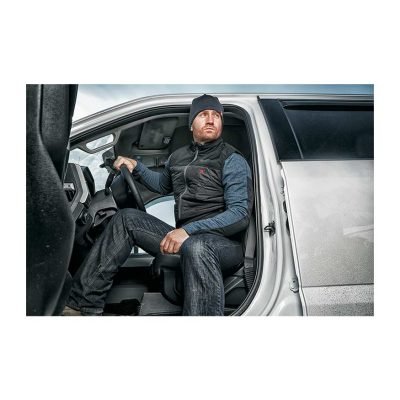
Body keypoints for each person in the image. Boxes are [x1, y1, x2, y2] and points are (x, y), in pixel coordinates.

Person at [64, 94, 253, 316]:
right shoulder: (178, 157)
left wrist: (188, 231)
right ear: (191, 124)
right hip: (187, 237)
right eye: (203, 115)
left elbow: (239, 214)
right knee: (126, 219)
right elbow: (162, 185)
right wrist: (137, 167)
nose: (211, 120)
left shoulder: (232, 159)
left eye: (216, 115)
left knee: (198, 246)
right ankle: (81, 305)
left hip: (223, 244)